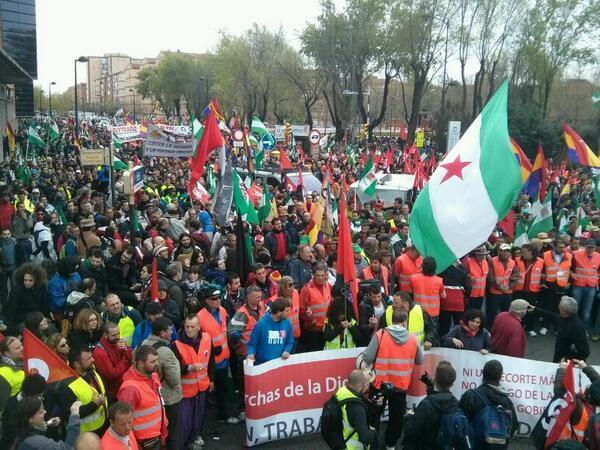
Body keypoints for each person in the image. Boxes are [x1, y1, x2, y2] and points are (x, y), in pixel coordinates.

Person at [360, 310, 424, 449]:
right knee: (396, 418)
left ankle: (372, 444)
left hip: (379, 384)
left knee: (374, 415)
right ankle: (391, 444)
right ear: (405, 321)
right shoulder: (413, 339)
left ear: (391, 321)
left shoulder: (381, 335)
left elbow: (367, 357)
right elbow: (420, 360)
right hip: (400, 385)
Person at [196, 287, 240, 425]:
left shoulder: (222, 311)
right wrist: (211, 349)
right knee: (220, 390)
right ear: (206, 301)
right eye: (213, 299)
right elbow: (197, 341)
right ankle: (222, 416)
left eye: (219, 298)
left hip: (224, 357)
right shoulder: (199, 317)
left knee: (224, 389)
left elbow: (225, 330)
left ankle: (224, 415)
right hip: (211, 361)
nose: (217, 301)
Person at [172, 314, 213, 450]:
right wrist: (189, 368)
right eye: (187, 327)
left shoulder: (207, 338)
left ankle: (195, 436)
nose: (189, 330)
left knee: (198, 416)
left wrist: (211, 379)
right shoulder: (176, 345)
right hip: (185, 390)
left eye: (192, 327)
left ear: (199, 327)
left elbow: (210, 361)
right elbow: (175, 368)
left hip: (202, 386)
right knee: (184, 421)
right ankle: (185, 443)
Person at [141, 317, 182, 450]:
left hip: (149, 396)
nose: (172, 333)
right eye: (170, 330)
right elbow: (174, 380)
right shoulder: (166, 352)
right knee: (173, 433)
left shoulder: (143, 344)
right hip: (168, 399)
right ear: (163, 333)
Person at [403, 361, 462, 450]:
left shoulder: (426, 405)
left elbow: (411, 430)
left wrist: (409, 416)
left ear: (434, 379)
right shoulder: (456, 404)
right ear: (452, 384)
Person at [118, 345, 168, 450]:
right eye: (152, 361)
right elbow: (123, 420)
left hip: (156, 434)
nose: (157, 364)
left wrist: (164, 417)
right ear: (140, 363)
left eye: (157, 360)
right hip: (143, 442)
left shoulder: (153, 375)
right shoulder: (130, 389)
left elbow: (158, 399)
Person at [460, 360, 519, 447]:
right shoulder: (507, 402)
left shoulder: (471, 396)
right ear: (500, 376)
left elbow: (460, 424)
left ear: (483, 374)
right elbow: (513, 426)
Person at [530, 296, 590, 362]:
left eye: (559, 307)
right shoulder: (564, 318)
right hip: (560, 357)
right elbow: (552, 316)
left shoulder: (577, 327)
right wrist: (536, 310)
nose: (558, 308)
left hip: (569, 364)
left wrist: (567, 359)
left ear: (564, 311)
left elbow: (585, 352)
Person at [12, 397, 82, 450]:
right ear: (30, 419)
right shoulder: (38, 442)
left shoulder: (20, 431)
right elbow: (69, 447)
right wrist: (74, 415)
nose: (45, 412)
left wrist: (47, 423)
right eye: (40, 411)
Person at [333, 369, 378, 449]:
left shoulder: (341, 393)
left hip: (340, 443)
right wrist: (373, 432)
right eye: (367, 385)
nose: (368, 388)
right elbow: (365, 438)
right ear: (359, 386)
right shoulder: (357, 409)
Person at [92, 322, 132, 401]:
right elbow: (112, 374)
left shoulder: (118, 343)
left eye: (118, 333)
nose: (117, 337)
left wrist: (126, 350)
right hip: (114, 394)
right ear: (105, 335)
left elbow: (130, 358)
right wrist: (125, 360)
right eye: (113, 335)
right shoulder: (99, 352)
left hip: (125, 386)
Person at [246, 298, 294, 365]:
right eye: (287, 311)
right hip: (262, 364)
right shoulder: (261, 324)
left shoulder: (288, 324)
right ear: (279, 312)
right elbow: (252, 344)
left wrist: (287, 350)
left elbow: (290, 341)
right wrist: (250, 353)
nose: (289, 313)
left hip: (280, 363)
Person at [5, 263, 49, 333]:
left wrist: (46, 317)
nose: (27, 283)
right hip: (22, 320)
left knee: (50, 331)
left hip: (38, 317)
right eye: (25, 280)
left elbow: (44, 304)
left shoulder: (41, 287)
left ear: (36, 280)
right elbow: (11, 310)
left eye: (30, 280)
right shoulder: (17, 290)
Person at [540, 239, 572, 335]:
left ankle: (557, 328)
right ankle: (545, 326)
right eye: (559, 247)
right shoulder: (545, 255)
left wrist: (569, 282)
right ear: (554, 246)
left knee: (559, 308)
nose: (562, 249)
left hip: (562, 285)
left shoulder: (569, 256)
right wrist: (543, 282)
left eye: (563, 247)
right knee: (547, 306)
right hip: (549, 284)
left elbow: (572, 270)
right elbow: (540, 270)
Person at [299, 262, 332, 351]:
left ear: (325, 275)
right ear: (313, 275)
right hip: (312, 331)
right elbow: (301, 311)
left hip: (325, 329)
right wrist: (311, 320)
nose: (320, 278)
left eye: (322, 275)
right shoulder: (306, 290)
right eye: (318, 275)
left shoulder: (327, 286)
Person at [513, 243, 544, 335]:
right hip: (520, 290)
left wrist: (543, 283)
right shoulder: (517, 260)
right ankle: (518, 328)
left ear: (531, 252)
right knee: (518, 310)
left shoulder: (541, 261)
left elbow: (543, 275)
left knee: (531, 310)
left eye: (524, 252)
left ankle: (529, 328)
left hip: (533, 290)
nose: (522, 254)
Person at [410, 256, 445, 337]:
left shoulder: (414, 278)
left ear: (422, 266)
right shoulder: (439, 280)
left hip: (418, 312)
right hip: (433, 314)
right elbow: (443, 296)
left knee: (417, 334)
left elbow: (411, 291)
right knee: (432, 336)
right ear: (435, 268)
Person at [487, 243, 519, 328]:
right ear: (499, 251)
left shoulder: (513, 262)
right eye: (504, 251)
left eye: (508, 251)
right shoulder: (492, 261)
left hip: (507, 292)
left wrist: (509, 286)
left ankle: (504, 328)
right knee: (492, 312)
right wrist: (499, 286)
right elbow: (490, 276)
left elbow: (516, 276)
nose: (506, 253)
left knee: (506, 312)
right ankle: (491, 329)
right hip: (495, 292)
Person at [228, 285, 266, 359]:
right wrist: (237, 348)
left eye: (260, 297)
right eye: (257, 297)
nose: (259, 299)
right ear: (248, 297)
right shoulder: (242, 313)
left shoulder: (262, 305)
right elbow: (230, 333)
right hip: (247, 354)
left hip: (261, 351)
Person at [571, 239, 600, 330]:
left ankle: (583, 329)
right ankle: (572, 327)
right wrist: (572, 274)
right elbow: (569, 267)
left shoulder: (599, 256)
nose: (590, 249)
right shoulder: (576, 254)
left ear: (595, 247)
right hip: (578, 285)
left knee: (587, 310)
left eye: (592, 247)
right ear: (585, 246)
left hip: (591, 286)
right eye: (589, 247)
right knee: (575, 308)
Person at [0, 336, 24, 411]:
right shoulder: (2, 374)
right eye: (17, 348)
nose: (22, 348)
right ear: (7, 353)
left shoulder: (22, 361)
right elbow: (4, 405)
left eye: (21, 345)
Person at [465, 245, 489, 310]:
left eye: (484, 254)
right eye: (480, 255)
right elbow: (463, 273)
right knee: (469, 313)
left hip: (481, 294)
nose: (482, 256)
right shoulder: (468, 261)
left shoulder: (485, 262)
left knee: (478, 313)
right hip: (471, 294)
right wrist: (469, 277)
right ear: (475, 254)